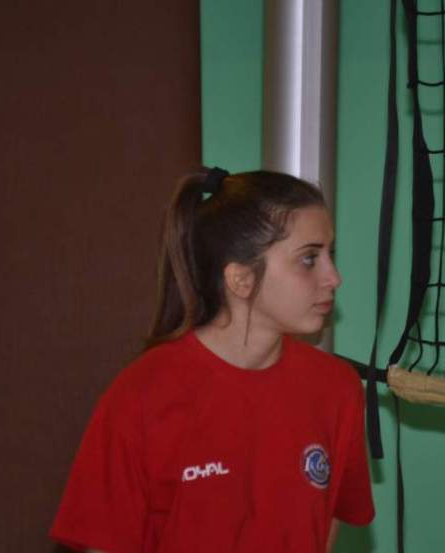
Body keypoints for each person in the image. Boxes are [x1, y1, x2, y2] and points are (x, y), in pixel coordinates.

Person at [51, 168, 374, 552]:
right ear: (240, 279)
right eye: (309, 259)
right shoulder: (142, 395)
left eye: (329, 255)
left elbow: (331, 517)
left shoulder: (337, 388)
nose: (333, 277)